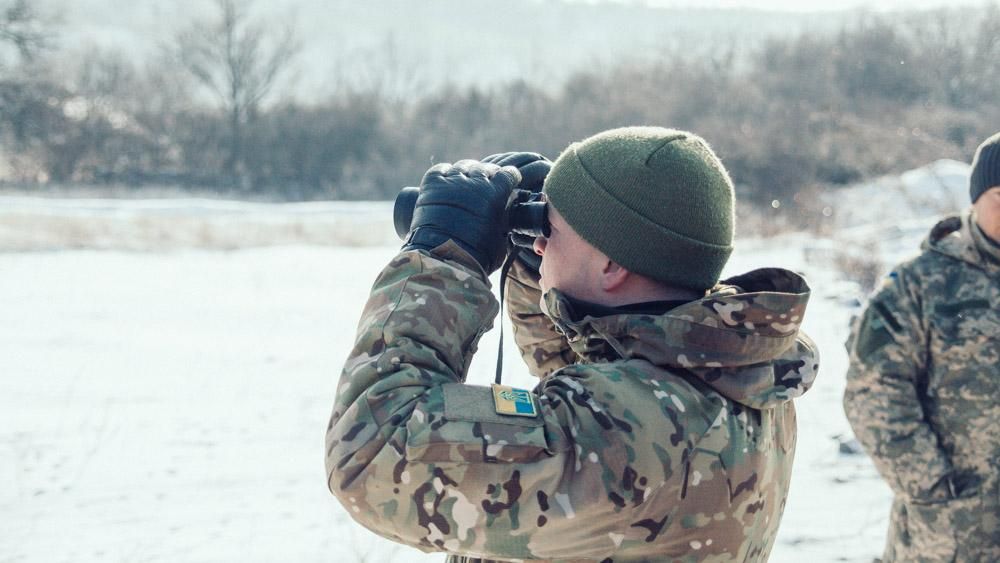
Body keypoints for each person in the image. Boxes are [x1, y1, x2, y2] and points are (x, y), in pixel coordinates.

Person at [326, 126, 819, 561]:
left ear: (612, 266)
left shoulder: (622, 430)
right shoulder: (729, 370)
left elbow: (373, 452)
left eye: (550, 231)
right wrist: (534, 270)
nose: (540, 242)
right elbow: (590, 373)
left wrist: (442, 257)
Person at [843, 131, 1000, 562]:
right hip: (952, 532)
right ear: (975, 198)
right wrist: (931, 485)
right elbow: (872, 389)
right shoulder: (921, 284)